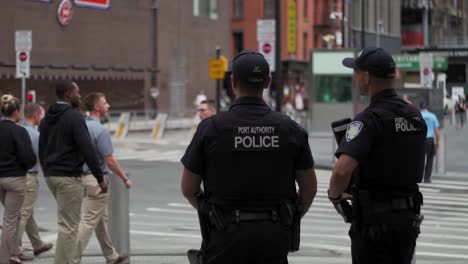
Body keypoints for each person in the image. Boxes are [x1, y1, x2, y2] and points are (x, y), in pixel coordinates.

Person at [180, 50, 317, 264]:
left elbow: (188, 188)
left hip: (224, 236)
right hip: (274, 237)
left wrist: (211, 212)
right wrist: (290, 216)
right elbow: (309, 188)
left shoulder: (211, 129)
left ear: (233, 80)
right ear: (267, 81)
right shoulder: (290, 129)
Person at [328, 47, 427, 264]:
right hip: (407, 221)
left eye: (356, 72)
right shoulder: (415, 117)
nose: (354, 78)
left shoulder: (368, 120)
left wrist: (334, 194)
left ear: (366, 77)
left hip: (375, 225)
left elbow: (342, 170)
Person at [39, 80, 108, 264]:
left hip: (51, 175)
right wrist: (100, 177)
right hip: (69, 176)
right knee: (69, 227)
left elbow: (41, 146)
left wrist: (46, 169)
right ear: (69, 94)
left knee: (66, 223)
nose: (80, 96)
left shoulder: (47, 118)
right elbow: (87, 149)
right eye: (77, 93)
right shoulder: (75, 117)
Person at [71, 92, 131, 264]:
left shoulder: (81, 125)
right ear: (97, 107)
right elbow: (109, 160)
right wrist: (124, 178)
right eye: (105, 103)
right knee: (89, 221)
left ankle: (111, 256)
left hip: (80, 178)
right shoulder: (99, 130)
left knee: (100, 219)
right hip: (97, 180)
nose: (108, 106)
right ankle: (71, 258)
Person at [0, 95, 36, 264]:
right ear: (16, 111)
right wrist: (25, 166)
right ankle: (5, 258)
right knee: (10, 220)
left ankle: (14, 253)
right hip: (15, 178)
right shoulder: (19, 131)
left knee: (14, 217)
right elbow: (28, 157)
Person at [18, 103, 53, 259]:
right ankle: (13, 249)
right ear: (36, 115)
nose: (43, 118)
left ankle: (37, 244)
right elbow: (42, 158)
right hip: (29, 177)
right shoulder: (35, 134)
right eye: (43, 115)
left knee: (26, 212)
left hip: (13, 176)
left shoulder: (16, 129)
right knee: (23, 213)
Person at [420, 102, 440, 183]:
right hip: (430, 140)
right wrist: (437, 143)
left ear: (420, 107)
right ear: (427, 107)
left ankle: (418, 177)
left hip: (420, 140)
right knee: (430, 159)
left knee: (419, 159)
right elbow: (437, 132)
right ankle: (427, 178)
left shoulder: (418, 115)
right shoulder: (432, 116)